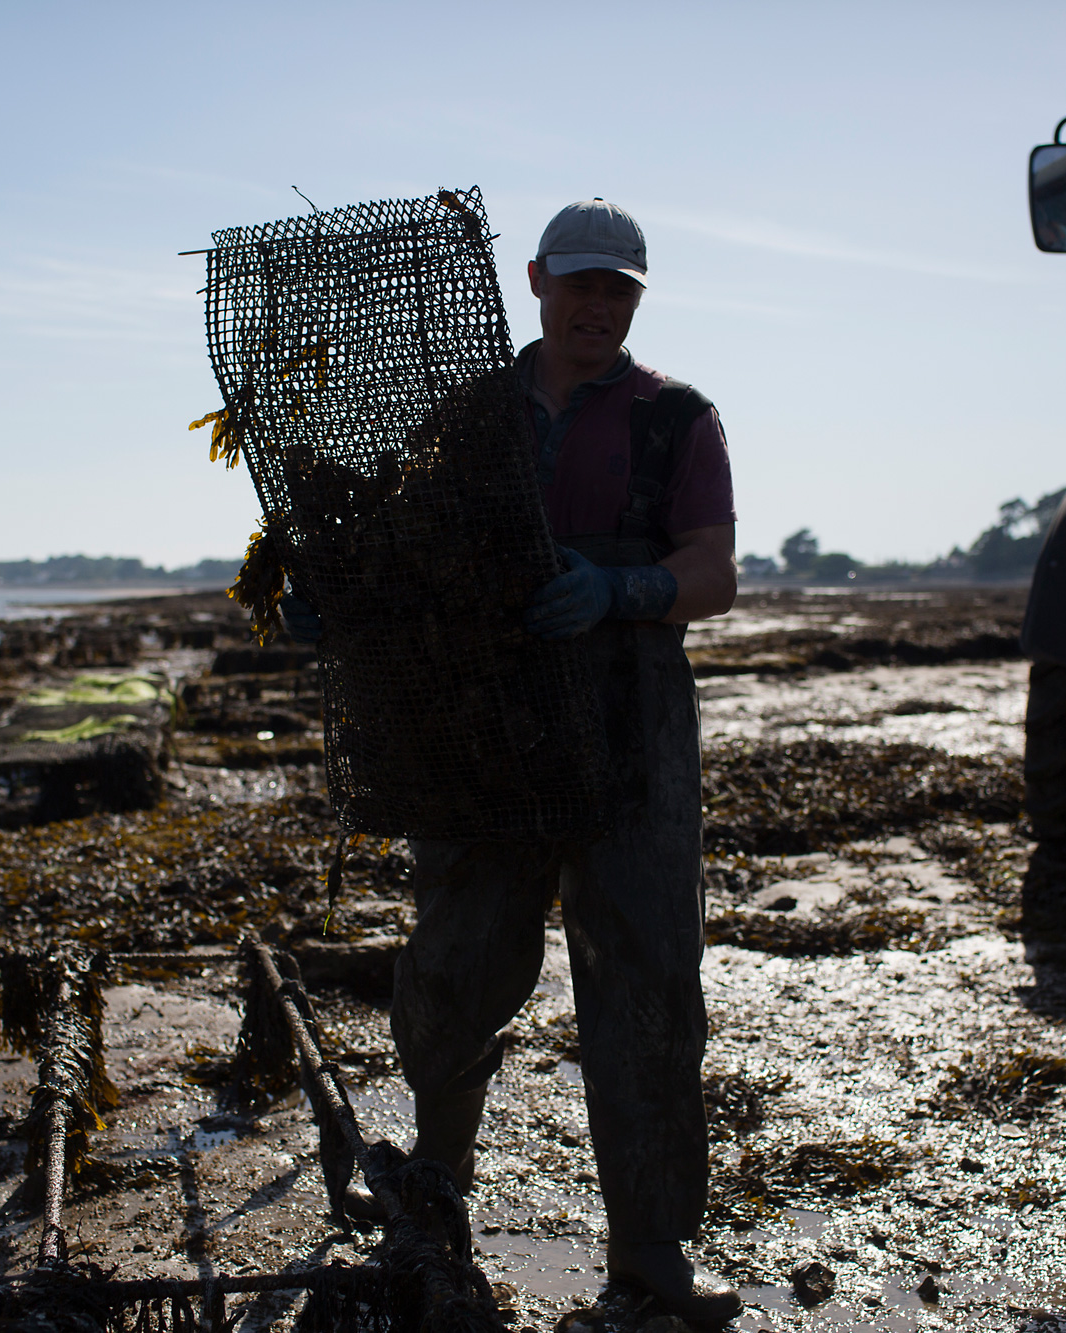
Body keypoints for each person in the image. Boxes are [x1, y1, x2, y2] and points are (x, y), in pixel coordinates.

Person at [288, 199, 740, 1321]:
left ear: (637, 298)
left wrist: (621, 588)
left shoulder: (676, 418)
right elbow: (399, 548)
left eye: (618, 289)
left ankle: (650, 1256)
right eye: (580, 283)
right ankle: (434, 1200)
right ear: (535, 280)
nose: (598, 305)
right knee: (453, 974)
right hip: (480, 732)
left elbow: (713, 571)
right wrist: (336, 598)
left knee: (646, 986)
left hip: (631, 726)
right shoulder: (467, 415)